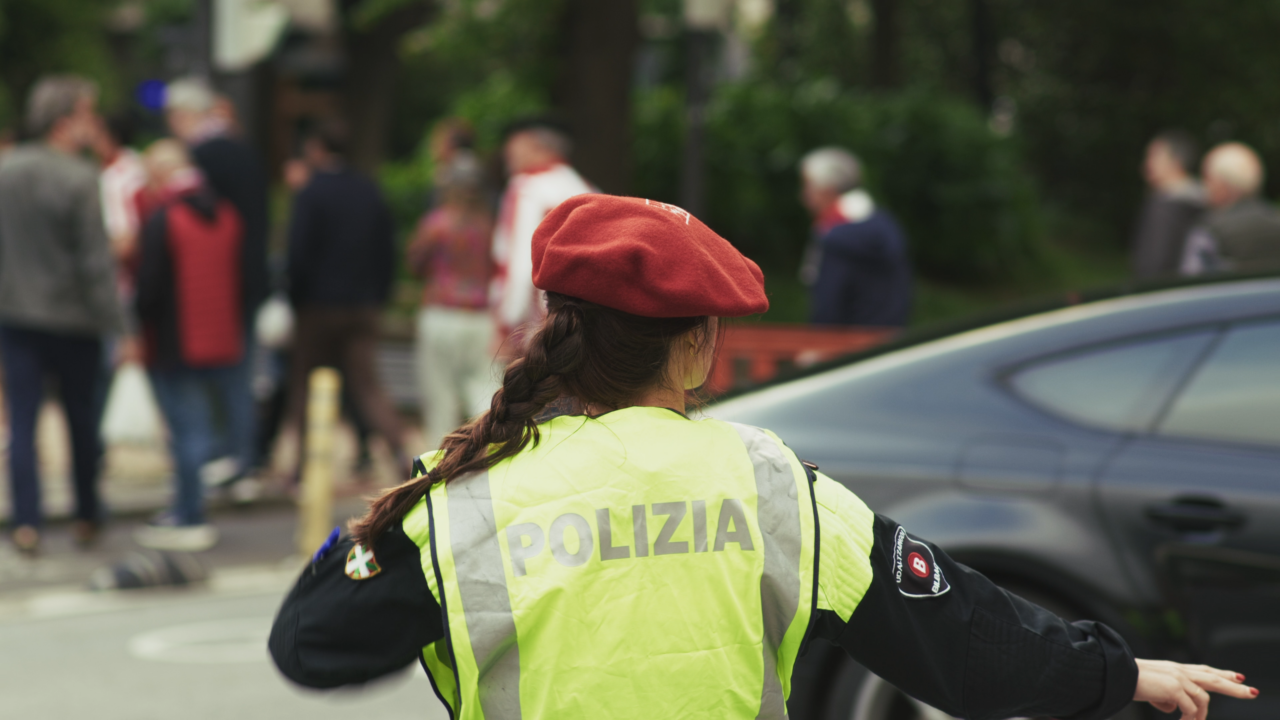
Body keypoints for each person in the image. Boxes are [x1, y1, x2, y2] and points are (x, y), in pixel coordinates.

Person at [269, 194, 1257, 720]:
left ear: (556, 328)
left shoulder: (466, 502)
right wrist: (1116, 673)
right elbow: (964, 640)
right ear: (698, 344)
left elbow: (310, 645)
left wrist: (386, 517)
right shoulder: (769, 480)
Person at [0, 76, 123, 554]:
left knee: (23, 422)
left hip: (16, 313)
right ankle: (86, 514)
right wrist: (118, 323)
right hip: (74, 318)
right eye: (87, 114)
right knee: (81, 419)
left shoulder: (7, 170)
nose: (93, 125)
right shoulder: (79, 177)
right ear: (64, 121)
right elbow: (95, 262)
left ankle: (27, 521)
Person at [133, 140, 250, 552]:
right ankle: (197, 503)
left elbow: (149, 290)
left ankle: (189, 513)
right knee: (209, 426)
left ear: (162, 173)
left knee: (186, 430)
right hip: (221, 338)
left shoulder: (164, 217)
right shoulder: (227, 212)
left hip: (175, 341)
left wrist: (136, 327)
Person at [285, 118, 406, 477]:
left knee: (305, 384)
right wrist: (378, 296)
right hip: (363, 304)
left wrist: (295, 298)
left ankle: (301, 466)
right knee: (367, 385)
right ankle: (401, 454)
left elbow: (298, 253)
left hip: (318, 306)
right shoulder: (368, 190)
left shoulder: (311, 192)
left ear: (315, 148)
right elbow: (388, 250)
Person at [408, 151, 496, 450]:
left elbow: (415, 263)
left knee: (440, 397)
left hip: (442, 313)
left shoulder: (437, 223)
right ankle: (488, 455)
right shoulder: (489, 225)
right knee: (483, 394)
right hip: (481, 316)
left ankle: (440, 462)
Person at [490, 117, 594, 350]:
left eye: (514, 144)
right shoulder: (587, 188)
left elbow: (521, 264)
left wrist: (506, 327)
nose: (507, 152)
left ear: (535, 145)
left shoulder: (526, 187)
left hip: (536, 327)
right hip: (581, 325)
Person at [798, 147, 912, 327]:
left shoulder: (834, 235)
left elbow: (828, 306)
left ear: (827, 189)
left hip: (846, 340)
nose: (803, 196)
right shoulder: (885, 223)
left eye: (807, 186)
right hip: (890, 336)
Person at [1181, 142, 1280, 276]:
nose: (1205, 187)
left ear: (1223, 183)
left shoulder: (1209, 230)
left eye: (1208, 179)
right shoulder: (1276, 220)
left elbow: (1192, 278)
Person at [1131, 131, 1205, 280]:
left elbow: (1153, 263)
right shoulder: (1204, 201)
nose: (1147, 164)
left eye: (1154, 157)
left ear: (1176, 162)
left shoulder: (1163, 207)